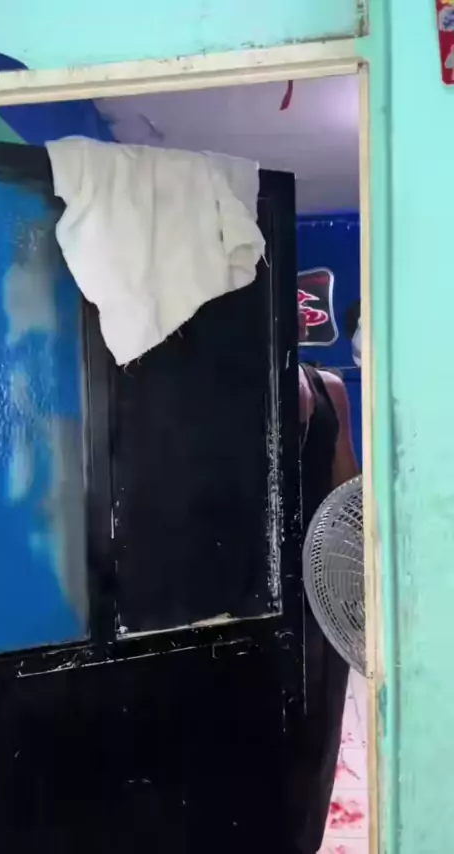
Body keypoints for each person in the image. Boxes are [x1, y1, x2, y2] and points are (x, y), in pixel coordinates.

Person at [293, 307, 359, 853]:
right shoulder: (236, 391)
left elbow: (348, 495)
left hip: (320, 594)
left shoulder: (330, 388)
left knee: (319, 734)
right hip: (256, 600)